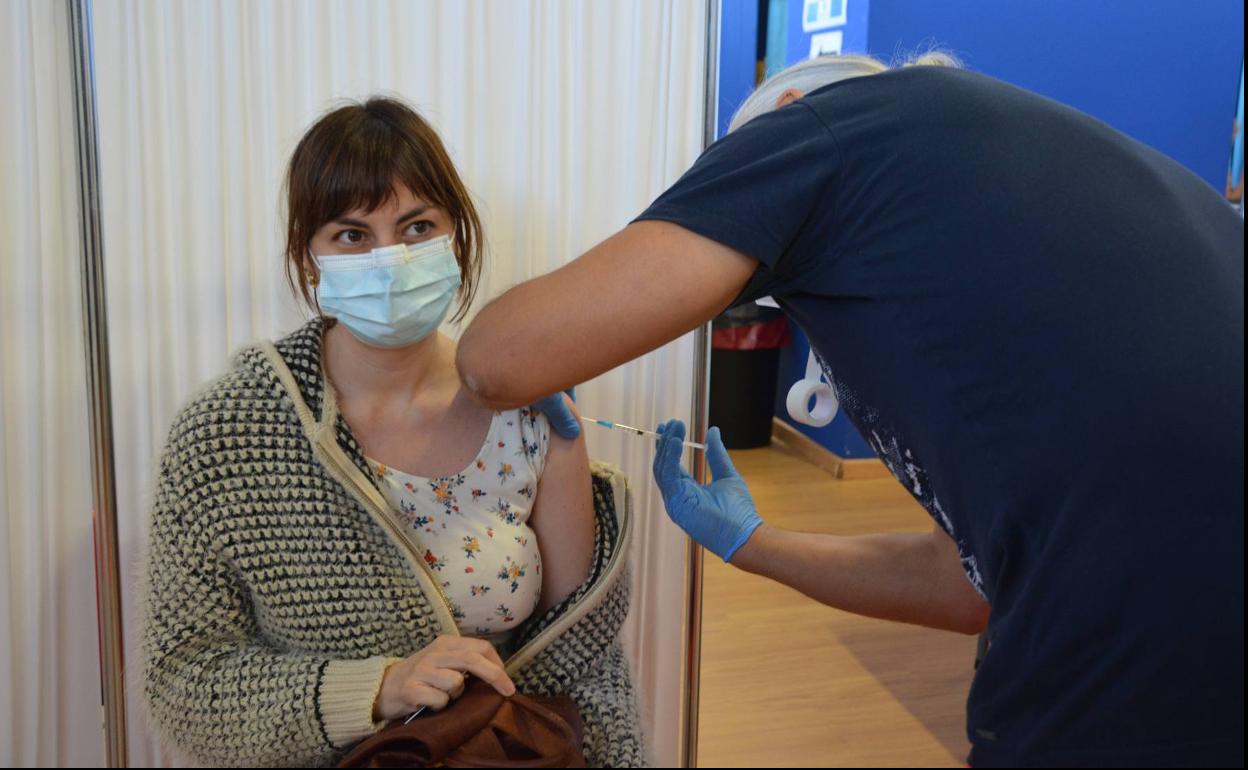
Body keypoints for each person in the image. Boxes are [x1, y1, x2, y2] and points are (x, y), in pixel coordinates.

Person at [457, 54, 1245, 767]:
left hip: (1138, 647)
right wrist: (753, 543)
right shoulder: (1028, 175)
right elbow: (964, 585)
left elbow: (498, 360)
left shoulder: (820, 128)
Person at [141, 96, 645, 767]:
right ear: (309, 257)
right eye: (352, 235)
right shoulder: (226, 437)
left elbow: (582, 655)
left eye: (416, 227)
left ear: (456, 238)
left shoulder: (530, 414)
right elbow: (183, 681)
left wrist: (571, 442)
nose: (390, 260)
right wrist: (373, 689)